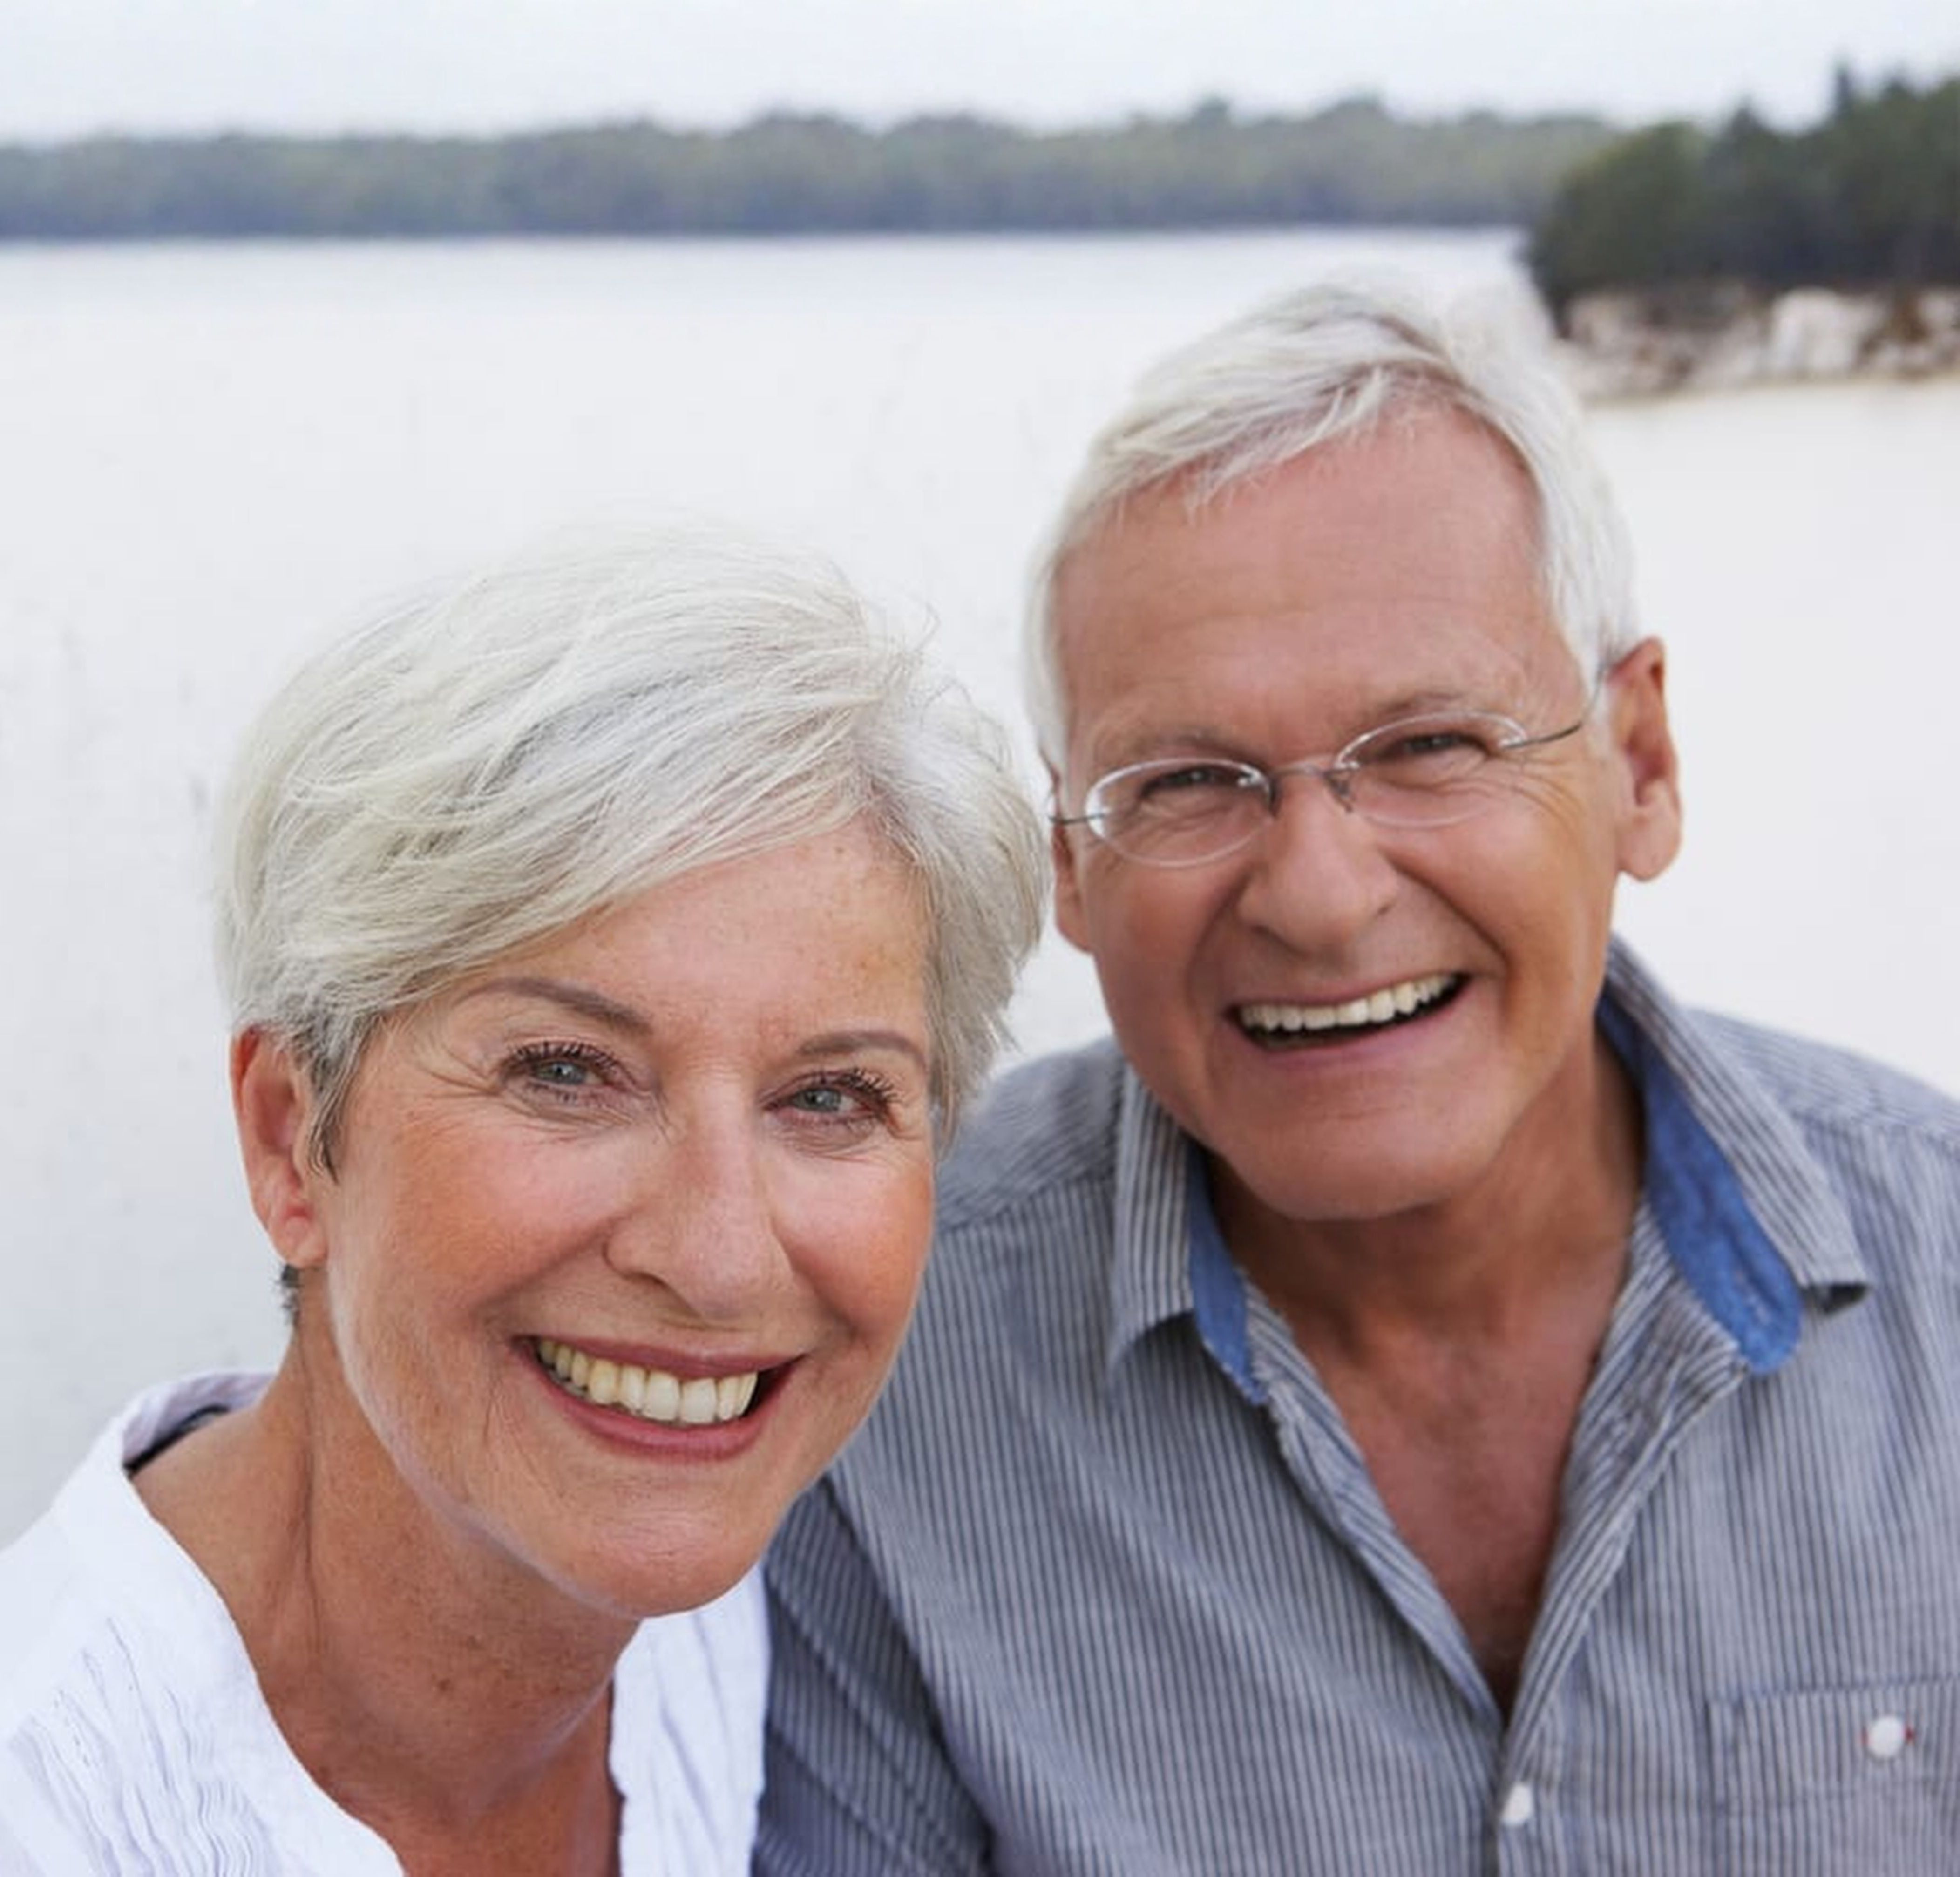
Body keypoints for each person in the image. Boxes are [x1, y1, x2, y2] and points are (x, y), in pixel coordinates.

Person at [758, 282, 1960, 1874]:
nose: (1316, 895)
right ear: (1066, 859)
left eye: (1428, 747)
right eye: (1186, 780)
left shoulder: (1939, 1277)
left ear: (1640, 768)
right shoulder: (876, 1368)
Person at [0, 525, 1045, 1875]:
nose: (720, 1260)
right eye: (567, 1072)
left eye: (831, 1097)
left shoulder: (782, 1603)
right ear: (288, 1136)